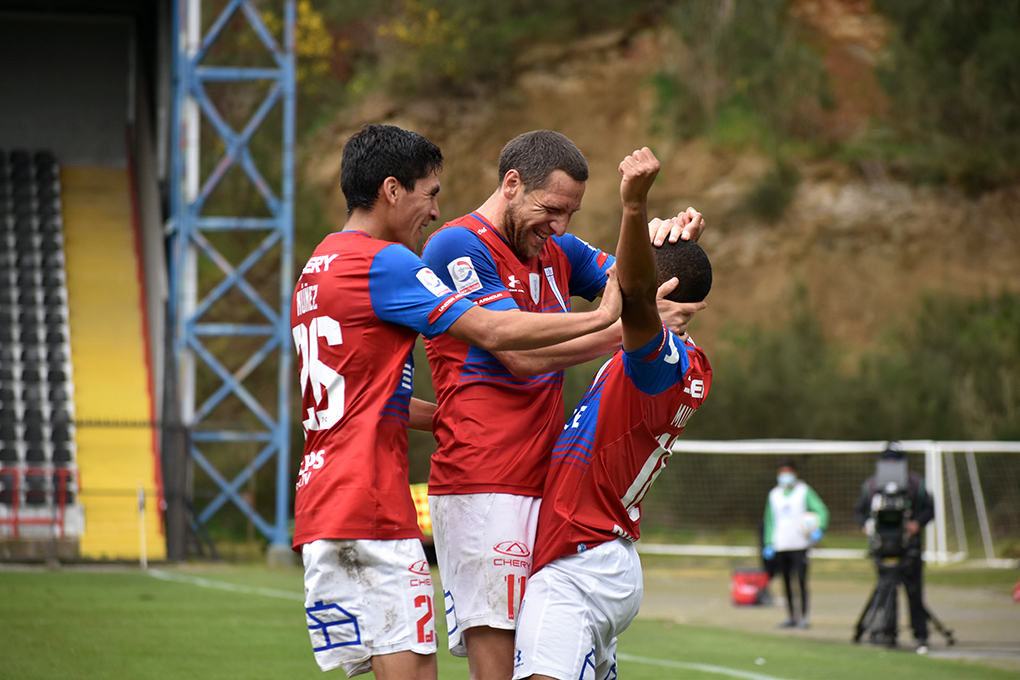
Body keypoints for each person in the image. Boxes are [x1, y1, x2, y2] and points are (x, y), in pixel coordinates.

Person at [291, 124, 624, 680]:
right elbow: (491, 332)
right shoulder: (386, 263)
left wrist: (452, 416)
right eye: (430, 192)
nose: (436, 211)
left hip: (325, 499)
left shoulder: (318, 266)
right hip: (368, 500)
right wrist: (600, 319)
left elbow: (366, 398)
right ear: (393, 190)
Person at [419, 130, 706, 679]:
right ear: (510, 185)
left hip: (546, 491)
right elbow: (519, 357)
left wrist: (671, 245)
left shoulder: (557, 251)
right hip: (485, 485)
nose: (560, 227)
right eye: (551, 209)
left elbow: (639, 287)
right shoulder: (457, 246)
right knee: (502, 670)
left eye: (571, 214)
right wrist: (627, 332)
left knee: (548, 664)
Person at [512, 147, 713, 680]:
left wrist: (634, 206)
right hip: (603, 554)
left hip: (582, 559)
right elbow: (630, 281)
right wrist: (649, 239)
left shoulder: (660, 363)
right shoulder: (676, 359)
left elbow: (638, 299)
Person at [854, 444, 935, 653]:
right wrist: (866, 525)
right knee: (885, 589)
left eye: (895, 460)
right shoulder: (872, 485)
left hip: (909, 548)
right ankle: (887, 632)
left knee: (914, 592)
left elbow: (929, 508)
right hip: (884, 547)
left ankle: (921, 634)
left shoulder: (916, 484)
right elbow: (860, 511)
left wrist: (916, 524)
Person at [762, 458, 829, 629]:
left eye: (788, 472)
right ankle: (791, 616)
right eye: (782, 473)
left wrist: (819, 527)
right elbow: (769, 520)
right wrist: (768, 542)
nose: (785, 476)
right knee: (785, 582)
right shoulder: (774, 494)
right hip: (781, 544)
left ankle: (804, 616)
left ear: (795, 473)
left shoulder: (804, 491)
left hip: (799, 544)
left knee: (801, 581)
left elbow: (821, 510)